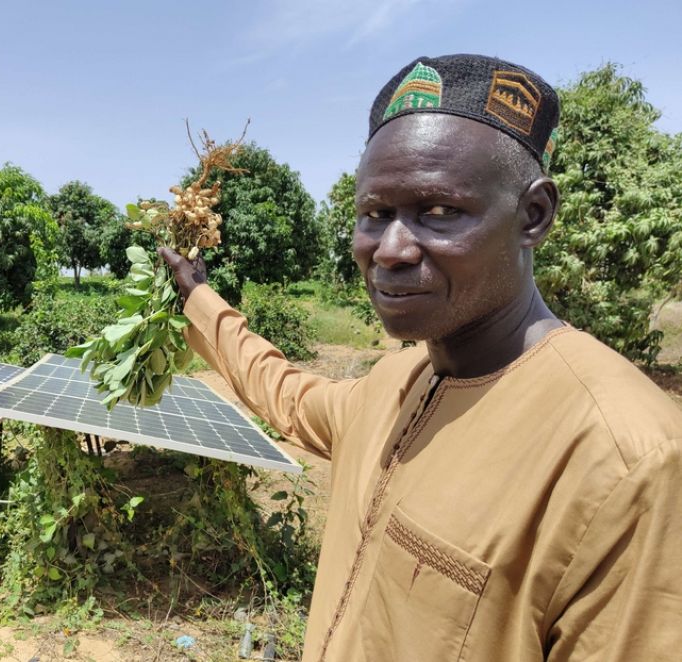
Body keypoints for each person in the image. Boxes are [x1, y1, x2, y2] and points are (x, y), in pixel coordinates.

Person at [159, 54, 682, 662]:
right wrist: (198, 296)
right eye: (376, 214)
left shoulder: (624, 460)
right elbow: (286, 392)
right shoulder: (398, 381)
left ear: (533, 216)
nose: (392, 250)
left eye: (439, 212)